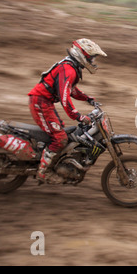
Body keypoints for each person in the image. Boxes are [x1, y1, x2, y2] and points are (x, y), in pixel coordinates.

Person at [28, 38, 107, 184]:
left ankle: (49, 160)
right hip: (40, 103)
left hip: (45, 103)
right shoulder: (68, 69)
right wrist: (78, 116)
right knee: (60, 138)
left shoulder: (70, 67)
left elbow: (71, 90)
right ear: (83, 55)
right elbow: (65, 98)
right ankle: (43, 172)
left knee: (62, 133)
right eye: (92, 57)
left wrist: (88, 98)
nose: (93, 61)